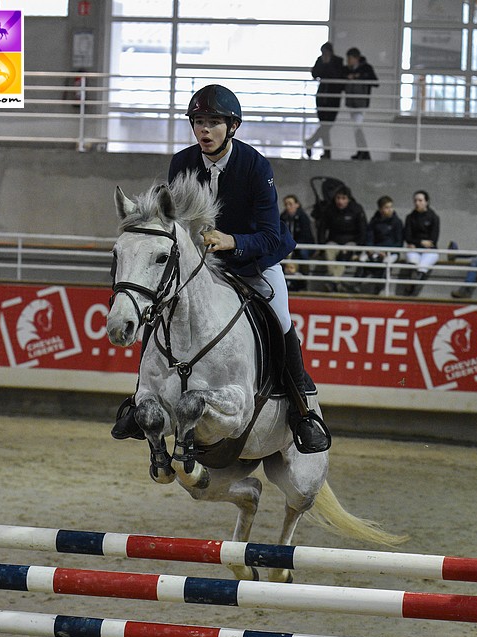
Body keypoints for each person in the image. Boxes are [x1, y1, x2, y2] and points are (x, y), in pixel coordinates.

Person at [112, 84, 330, 454]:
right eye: (198, 122)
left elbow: (269, 233)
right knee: (160, 310)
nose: (204, 130)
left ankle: (302, 409)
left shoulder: (256, 166)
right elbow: (174, 223)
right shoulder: (182, 163)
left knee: (280, 318)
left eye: (213, 123)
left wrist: (233, 241)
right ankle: (139, 400)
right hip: (201, 265)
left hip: (253, 261)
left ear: (233, 127)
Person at [317, 183, 367, 290]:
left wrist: (359, 250)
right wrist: (321, 246)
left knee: (345, 254)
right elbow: (322, 229)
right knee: (328, 251)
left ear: (348, 199)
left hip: (351, 241)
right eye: (338, 198)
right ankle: (336, 282)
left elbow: (363, 231)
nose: (340, 201)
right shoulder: (329, 209)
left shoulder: (357, 209)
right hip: (334, 241)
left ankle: (333, 282)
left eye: (343, 198)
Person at [304, 42, 344, 160]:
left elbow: (337, 75)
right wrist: (323, 63)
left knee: (327, 124)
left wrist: (328, 65)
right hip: (322, 96)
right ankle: (327, 152)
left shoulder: (338, 61)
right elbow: (315, 74)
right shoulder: (320, 60)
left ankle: (311, 142)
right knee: (324, 124)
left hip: (333, 96)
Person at [359, 195, 404, 294]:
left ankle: (379, 288)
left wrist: (387, 251)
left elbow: (399, 243)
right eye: (387, 207)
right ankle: (357, 284)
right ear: (380, 209)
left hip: (392, 252)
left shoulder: (397, 222)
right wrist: (370, 248)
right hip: (376, 249)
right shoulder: (374, 221)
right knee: (362, 259)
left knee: (386, 262)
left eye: (391, 207)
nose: (390, 210)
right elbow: (369, 236)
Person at [400, 190, 440, 297]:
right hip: (415, 249)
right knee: (413, 261)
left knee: (422, 266)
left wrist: (415, 242)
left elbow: (433, 240)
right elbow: (407, 237)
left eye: (420, 200)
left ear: (426, 202)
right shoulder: (410, 217)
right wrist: (421, 242)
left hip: (430, 251)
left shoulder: (434, 218)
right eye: (415, 201)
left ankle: (412, 288)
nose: (417, 203)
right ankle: (412, 284)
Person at [343, 47, 378, 160]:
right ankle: (362, 152)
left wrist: (359, 77)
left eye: (350, 58)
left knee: (357, 127)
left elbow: (375, 82)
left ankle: (364, 152)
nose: (348, 61)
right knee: (356, 127)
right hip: (351, 101)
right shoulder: (348, 69)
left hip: (360, 102)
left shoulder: (366, 68)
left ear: (356, 58)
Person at [280, 194, 314, 290]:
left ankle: (304, 278)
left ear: (297, 204)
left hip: (302, 244)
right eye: (286, 204)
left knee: (303, 253)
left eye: (290, 204)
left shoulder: (303, 217)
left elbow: (306, 235)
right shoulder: (283, 217)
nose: (288, 207)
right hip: (288, 245)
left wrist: (294, 245)